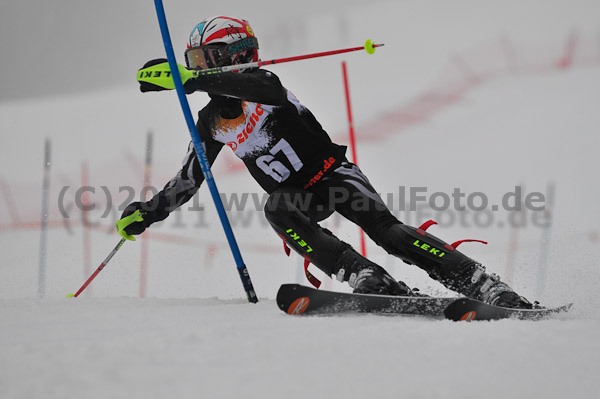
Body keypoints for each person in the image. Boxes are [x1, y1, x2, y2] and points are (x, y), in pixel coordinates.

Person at [118, 16, 533, 308]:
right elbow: (190, 178)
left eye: (205, 59)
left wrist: (190, 79)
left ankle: (483, 284)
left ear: (231, 56)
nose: (198, 69)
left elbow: (267, 91)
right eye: (193, 62)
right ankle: (364, 275)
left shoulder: (262, 85)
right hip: (300, 197)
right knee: (276, 206)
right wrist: (147, 214)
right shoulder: (211, 122)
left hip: (334, 176)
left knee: (389, 233)